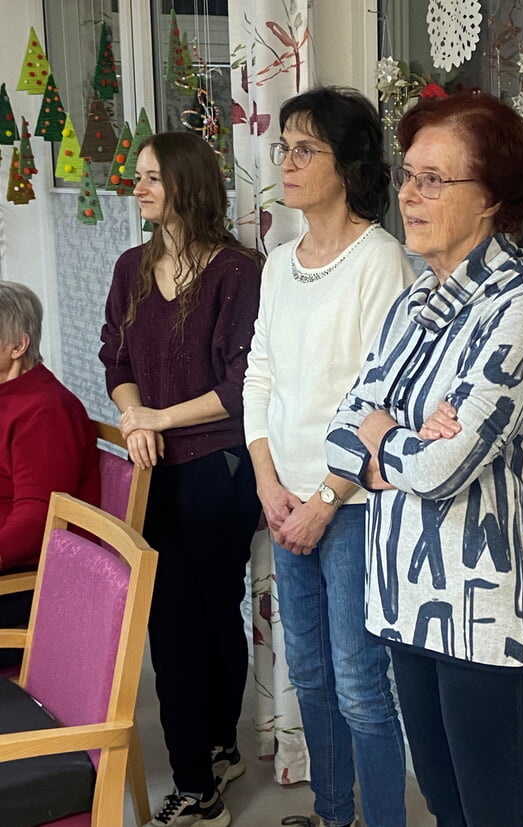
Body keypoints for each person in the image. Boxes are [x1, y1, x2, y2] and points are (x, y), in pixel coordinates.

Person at [325, 90, 523, 827]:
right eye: (408, 175)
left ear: (490, 198)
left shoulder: (522, 307)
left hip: (491, 618)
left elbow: (442, 469)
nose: (408, 194)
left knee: (500, 814)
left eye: (433, 179)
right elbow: (340, 432)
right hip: (407, 604)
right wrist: (400, 437)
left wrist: (383, 438)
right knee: (446, 808)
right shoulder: (412, 304)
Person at [243, 86, 412, 827]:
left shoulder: (381, 261)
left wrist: (321, 501)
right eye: (283, 147)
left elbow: (385, 400)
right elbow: (259, 375)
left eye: (304, 149)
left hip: (352, 508)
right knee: (308, 674)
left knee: (360, 686)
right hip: (285, 501)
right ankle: (332, 813)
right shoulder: (279, 262)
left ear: (348, 165)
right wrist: (268, 484)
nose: (287, 161)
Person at [99, 131, 262, 827]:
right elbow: (115, 359)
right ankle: (205, 769)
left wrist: (158, 419)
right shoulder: (131, 266)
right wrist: (134, 417)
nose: (136, 188)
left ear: (187, 184)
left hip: (218, 467)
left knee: (209, 613)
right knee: (172, 624)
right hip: (152, 470)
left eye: (152, 177)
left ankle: (206, 772)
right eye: (137, 176)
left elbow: (242, 385)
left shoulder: (238, 271)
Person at [0, 281, 100, 666]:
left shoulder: (44, 411)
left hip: (32, 585)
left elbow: (35, 520)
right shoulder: (11, 395)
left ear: (18, 346)